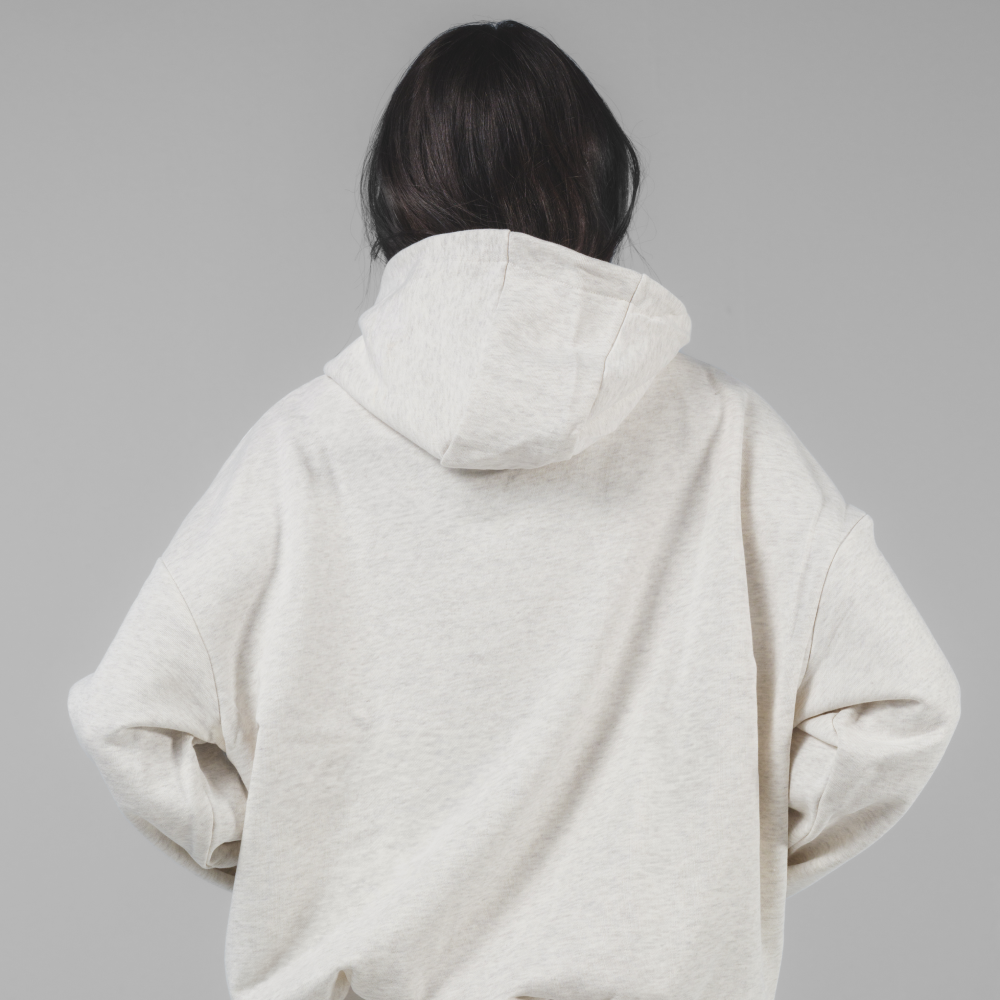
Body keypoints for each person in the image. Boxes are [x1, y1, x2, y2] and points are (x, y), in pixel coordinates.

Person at [68, 19, 960, 1000]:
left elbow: (130, 720)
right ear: (597, 186)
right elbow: (903, 705)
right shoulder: (728, 443)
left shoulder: (302, 452)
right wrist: (707, 864)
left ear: (395, 197)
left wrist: (305, 851)